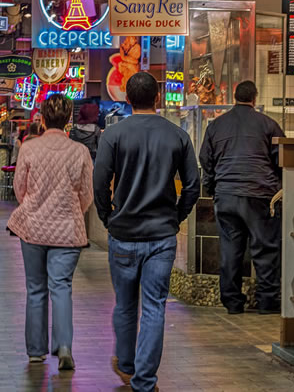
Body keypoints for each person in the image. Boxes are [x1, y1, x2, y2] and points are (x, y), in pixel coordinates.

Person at [93, 72, 200, 391]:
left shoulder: (114, 135)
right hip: (161, 236)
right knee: (155, 306)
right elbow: (193, 185)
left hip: (123, 232)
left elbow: (99, 182)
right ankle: (144, 380)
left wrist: (107, 217)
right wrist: (177, 217)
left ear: (127, 99)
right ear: (158, 98)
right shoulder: (177, 135)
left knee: (125, 304)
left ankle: (126, 363)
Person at [7, 94, 93, 370]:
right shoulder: (79, 151)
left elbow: (19, 189)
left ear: (42, 119)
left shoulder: (29, 148)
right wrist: (70, 211)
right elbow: (87, 196)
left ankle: (35, 351)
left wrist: (35, 207)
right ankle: (64, 346)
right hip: (68, 230)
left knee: (35, 289)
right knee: (62, 287)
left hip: (33, 228)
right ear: (68, 120)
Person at [199, 80, 285, 315]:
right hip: (260, 195)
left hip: (226, 196)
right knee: (265, 249)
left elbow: (205, 159)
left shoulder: (216, 125)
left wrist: (213, 186)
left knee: (230, 250)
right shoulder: (268, 124)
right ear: (254, 99)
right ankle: (268, 302)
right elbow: (283, 160)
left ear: (235, 97)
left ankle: (232, 302)